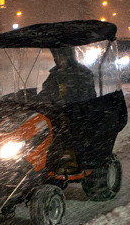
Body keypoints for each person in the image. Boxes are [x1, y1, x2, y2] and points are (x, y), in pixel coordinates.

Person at [38, 46, 97, 174]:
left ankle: (71, 161)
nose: (60, 61)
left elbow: (87, 96)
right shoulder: (54, 75)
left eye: (63, 57)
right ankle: (45, 160)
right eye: (57, 58)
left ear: (69, 57)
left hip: (79, 113)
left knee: (65, 128)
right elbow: (46, 92)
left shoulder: (82, 73)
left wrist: (68, 104)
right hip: (57, 111)